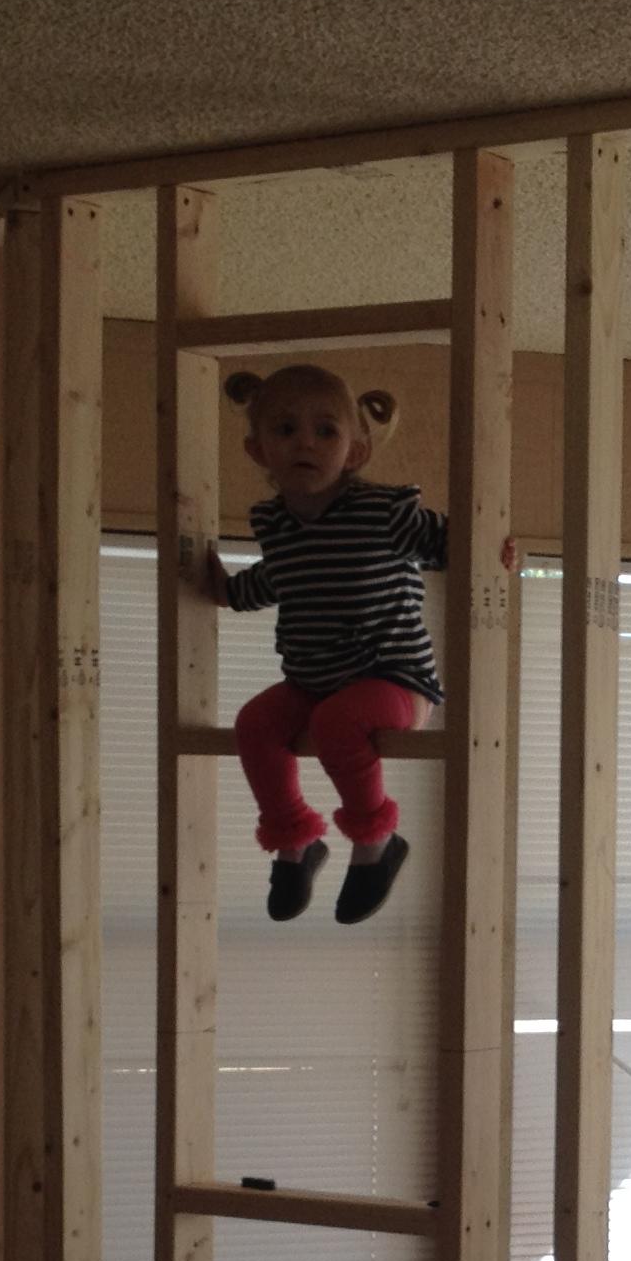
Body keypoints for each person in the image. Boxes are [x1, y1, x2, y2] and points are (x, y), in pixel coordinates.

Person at [208, 363, 510, 924]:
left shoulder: (379, 512)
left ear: (355, 452)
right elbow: (277, 578)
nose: (306, 442)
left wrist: (493, 549)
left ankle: (377, 842)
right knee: (255, 724)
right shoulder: (275, 523)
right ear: (257, 451)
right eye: (286, 430)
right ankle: (295, 841)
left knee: (336, 725)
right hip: (312, 679)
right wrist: (226, 590)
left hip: (393, 677)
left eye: (326, 431)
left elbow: (447, 542)